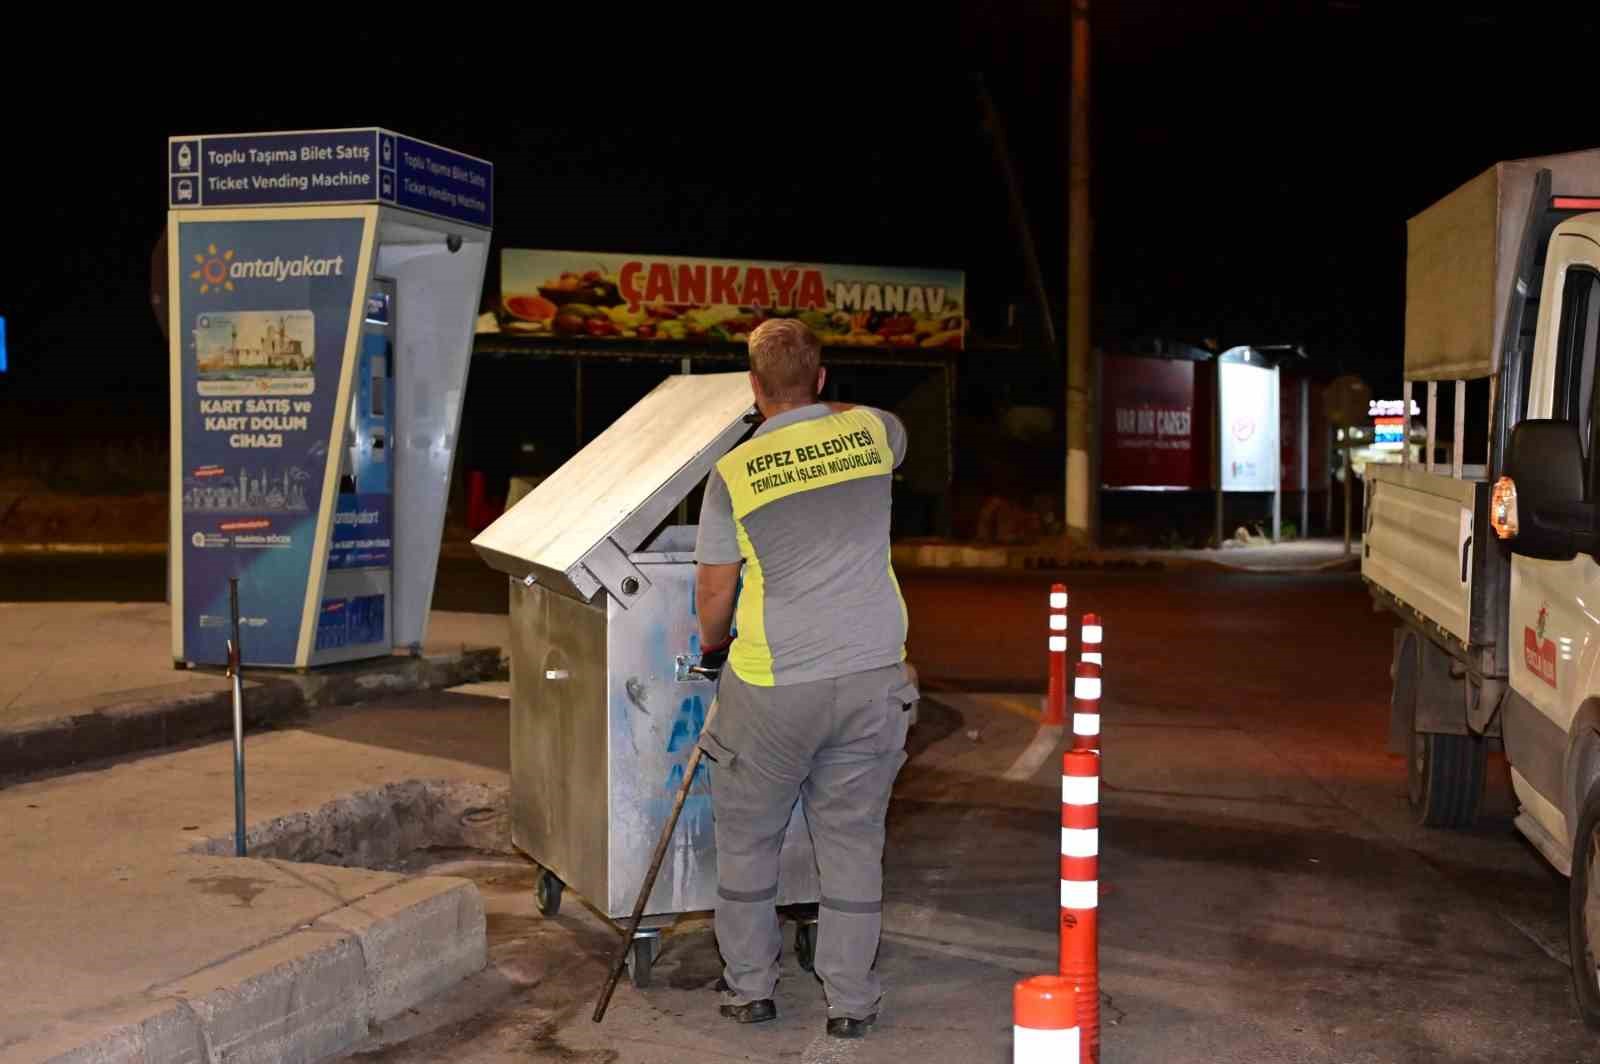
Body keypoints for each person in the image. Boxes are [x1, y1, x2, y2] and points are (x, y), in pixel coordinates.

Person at [693, 318, 918, 1040]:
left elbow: (715, 591)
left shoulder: (734, 472)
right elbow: (875, 420)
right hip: (873, 675)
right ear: (821, 379)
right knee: (852, 841)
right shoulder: (874, 433)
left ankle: (750, 988)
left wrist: (712, 647)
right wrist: (821, 406)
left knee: (749, 839)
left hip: (774, 685)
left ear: (753, 388)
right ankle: (851, 1000)